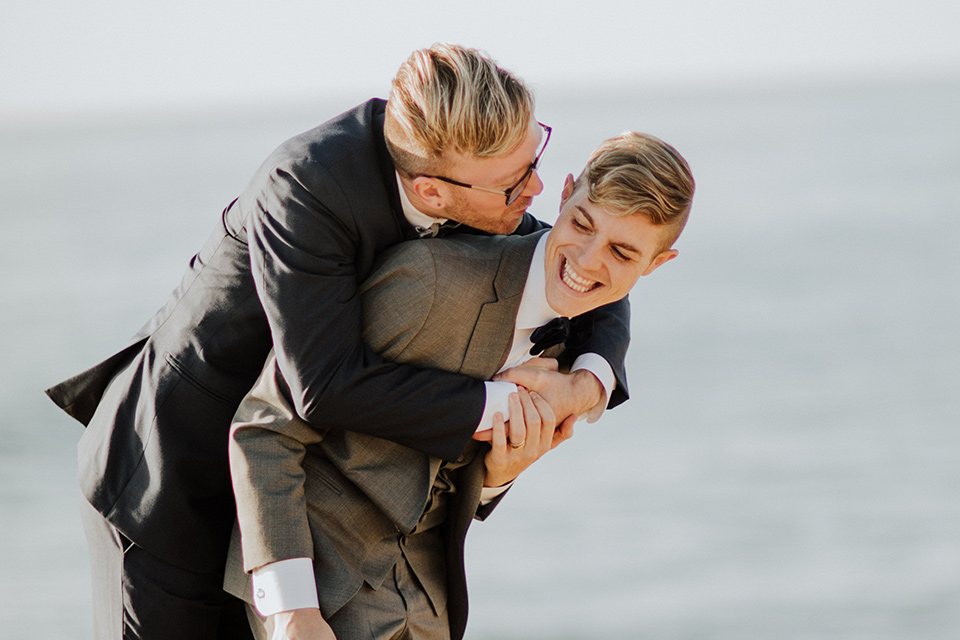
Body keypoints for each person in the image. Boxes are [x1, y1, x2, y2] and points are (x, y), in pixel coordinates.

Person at [44, 44, 631, 639]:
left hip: (282, 496)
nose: (533, 193)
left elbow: (588, 275)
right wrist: (504, 406)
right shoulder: (306, 184)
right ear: (431, 192)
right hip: (172, 478)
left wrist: (585, 386)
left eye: (536, 160)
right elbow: (323, 386)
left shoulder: (469, 171)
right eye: (513, 186)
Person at [224, 132, 695, 640]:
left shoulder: (568, 352)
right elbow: (265, 429)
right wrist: (292, 612)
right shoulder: (430, 283)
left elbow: (441, 483)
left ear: (657, 265)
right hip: (321, 587)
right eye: (581, 223)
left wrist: (498, 475)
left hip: (432, 604)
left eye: (623, 253)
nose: (585, 260)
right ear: (563, 196)